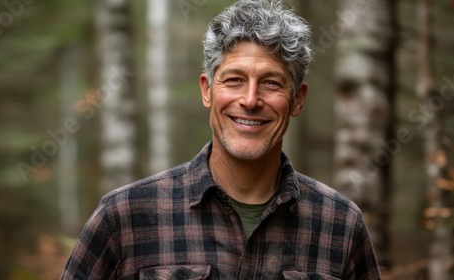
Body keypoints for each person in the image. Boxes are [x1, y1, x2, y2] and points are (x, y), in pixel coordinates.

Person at [60, 0, 381, 279]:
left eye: (271, 82)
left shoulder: (340, 224)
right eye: (234, 80)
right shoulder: (125, 216)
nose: (251, 100)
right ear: (207, 90)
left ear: (297, 99)